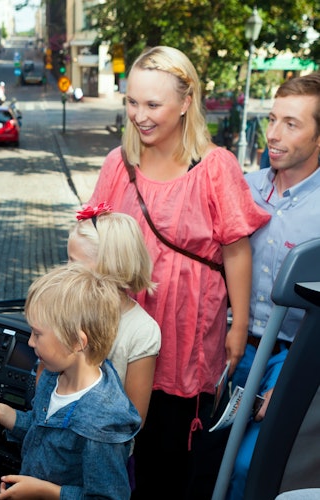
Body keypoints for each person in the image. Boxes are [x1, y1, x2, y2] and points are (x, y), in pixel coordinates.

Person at [87, 45, 271, 499]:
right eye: (132, 102)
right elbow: (92, 240)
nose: (139, 116)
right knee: (114, 449)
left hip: (187, 335)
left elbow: (236, 250)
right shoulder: (118, 163)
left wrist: (240, 327)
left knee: (171, 457)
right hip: (121, 331)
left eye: (153, 104)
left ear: (186, 101)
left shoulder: (215, 166)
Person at [0, 263, 142, 499]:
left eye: (37, 334)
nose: (30, 342)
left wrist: (45, 491)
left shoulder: (102, 422)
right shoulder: (52, 377)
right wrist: (0, 411)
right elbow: (40, 429)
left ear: (77, 341)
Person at [227, 72, 320, 499]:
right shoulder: (242, 188)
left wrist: (286, 383)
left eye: (291, 124)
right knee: (203, 453)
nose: (274, 134)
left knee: (248, 466)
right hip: (230, 344)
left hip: (289, 356)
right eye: (272, 119)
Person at [67, 203, 161, 427]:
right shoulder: (66, 309)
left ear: (109, 266)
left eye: (74, 262)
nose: (66, 269)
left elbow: (134, 417)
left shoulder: (142, 331)